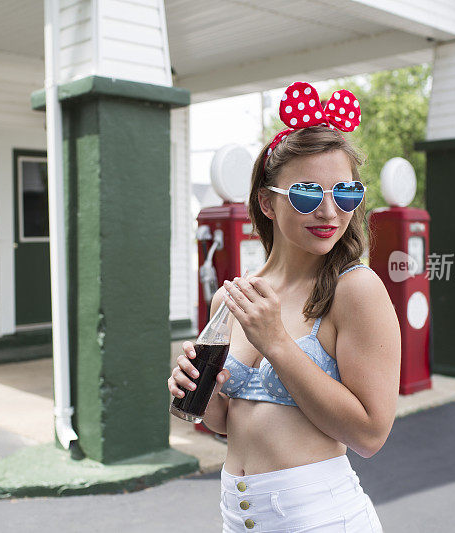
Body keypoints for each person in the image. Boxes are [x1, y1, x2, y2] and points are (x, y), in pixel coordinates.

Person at [167, 82, 400, 532]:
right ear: (266, 202)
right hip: (239, 518)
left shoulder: (355, 291)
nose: (330, 212)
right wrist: (195, 390)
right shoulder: (233, 298)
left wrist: (276, 342)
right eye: (308, 194)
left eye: (346, 193)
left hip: (322, 519)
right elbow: (227, 423)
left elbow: (370, 435)